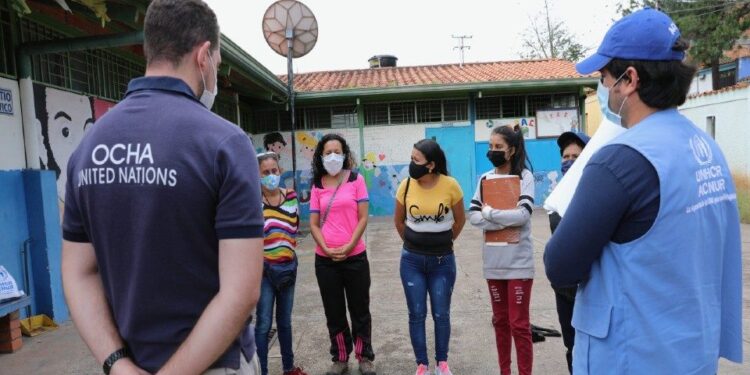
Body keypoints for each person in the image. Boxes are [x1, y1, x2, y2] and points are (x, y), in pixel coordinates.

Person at [61, 1, 264, 374]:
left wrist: (117, 364)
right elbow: (241, 292)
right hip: (216, 363)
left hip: (130, 365)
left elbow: (78, 272)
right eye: (217, 62)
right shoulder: (225, 143)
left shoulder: (87, 149)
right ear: (204, 55)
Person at [544, 8, 743, 374]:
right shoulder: (706, 148)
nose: (602, 88)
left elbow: (560, 265)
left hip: (633, 355)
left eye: (604, 78)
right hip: (691, 352)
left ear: (629, 79)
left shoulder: (619, 161)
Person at [394, 139, 466, 375]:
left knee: (441, 313)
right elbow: (399, 221)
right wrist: (415, 243)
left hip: (442, 262)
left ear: (431, 165)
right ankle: (422, 364)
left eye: (416, 160)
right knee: (416, 314)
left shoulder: (451, 185)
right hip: (412, 261)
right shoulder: (405, 186)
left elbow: (460, 220)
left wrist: (443, 242)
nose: (411, 164)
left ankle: (441, 363)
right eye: (411, 157)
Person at [469, 125, 535, 375]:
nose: (492, 151)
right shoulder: (485, 179)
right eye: (490, 146)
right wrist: (497, 217)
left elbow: (523, 214)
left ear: (512, 150)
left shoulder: (524, 178)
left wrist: (490, 213)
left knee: (519, 324)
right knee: (500, 322)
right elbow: (473, 216)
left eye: (498, 147)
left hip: (519, 264)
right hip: (493, 265)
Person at [308, 134, 375, 375]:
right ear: (321, 156)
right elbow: (314, 223)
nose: (333, 156)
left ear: (345, 154)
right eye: (328, 152)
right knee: (333, 310)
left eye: (337, 151)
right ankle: (341, 357)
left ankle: (364, 356)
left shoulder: (356, 179)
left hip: (355, 256)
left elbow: (363, 217)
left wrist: (349, 246)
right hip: (325, 261)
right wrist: (326, 248)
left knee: (360, 309)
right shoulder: (317, 184)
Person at [254, 152, 307, 375]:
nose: (271, 176)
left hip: (288, 269)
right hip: (264, 273)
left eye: (274, 171)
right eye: (265, 172)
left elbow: (293, 228)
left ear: (280, 170)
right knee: (264, 324)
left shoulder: (292, 196)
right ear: (257, 175)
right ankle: (262, 371)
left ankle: (288, 368)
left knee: (285, 322)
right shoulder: (253, 202)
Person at [546, 131, 589, 374]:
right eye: (565, 156)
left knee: (592, 347)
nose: (569, 160)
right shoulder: (558, 193)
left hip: (590, 288)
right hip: (563, 289)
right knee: (571, 346)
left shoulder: (598, 192)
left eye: (576, 156)